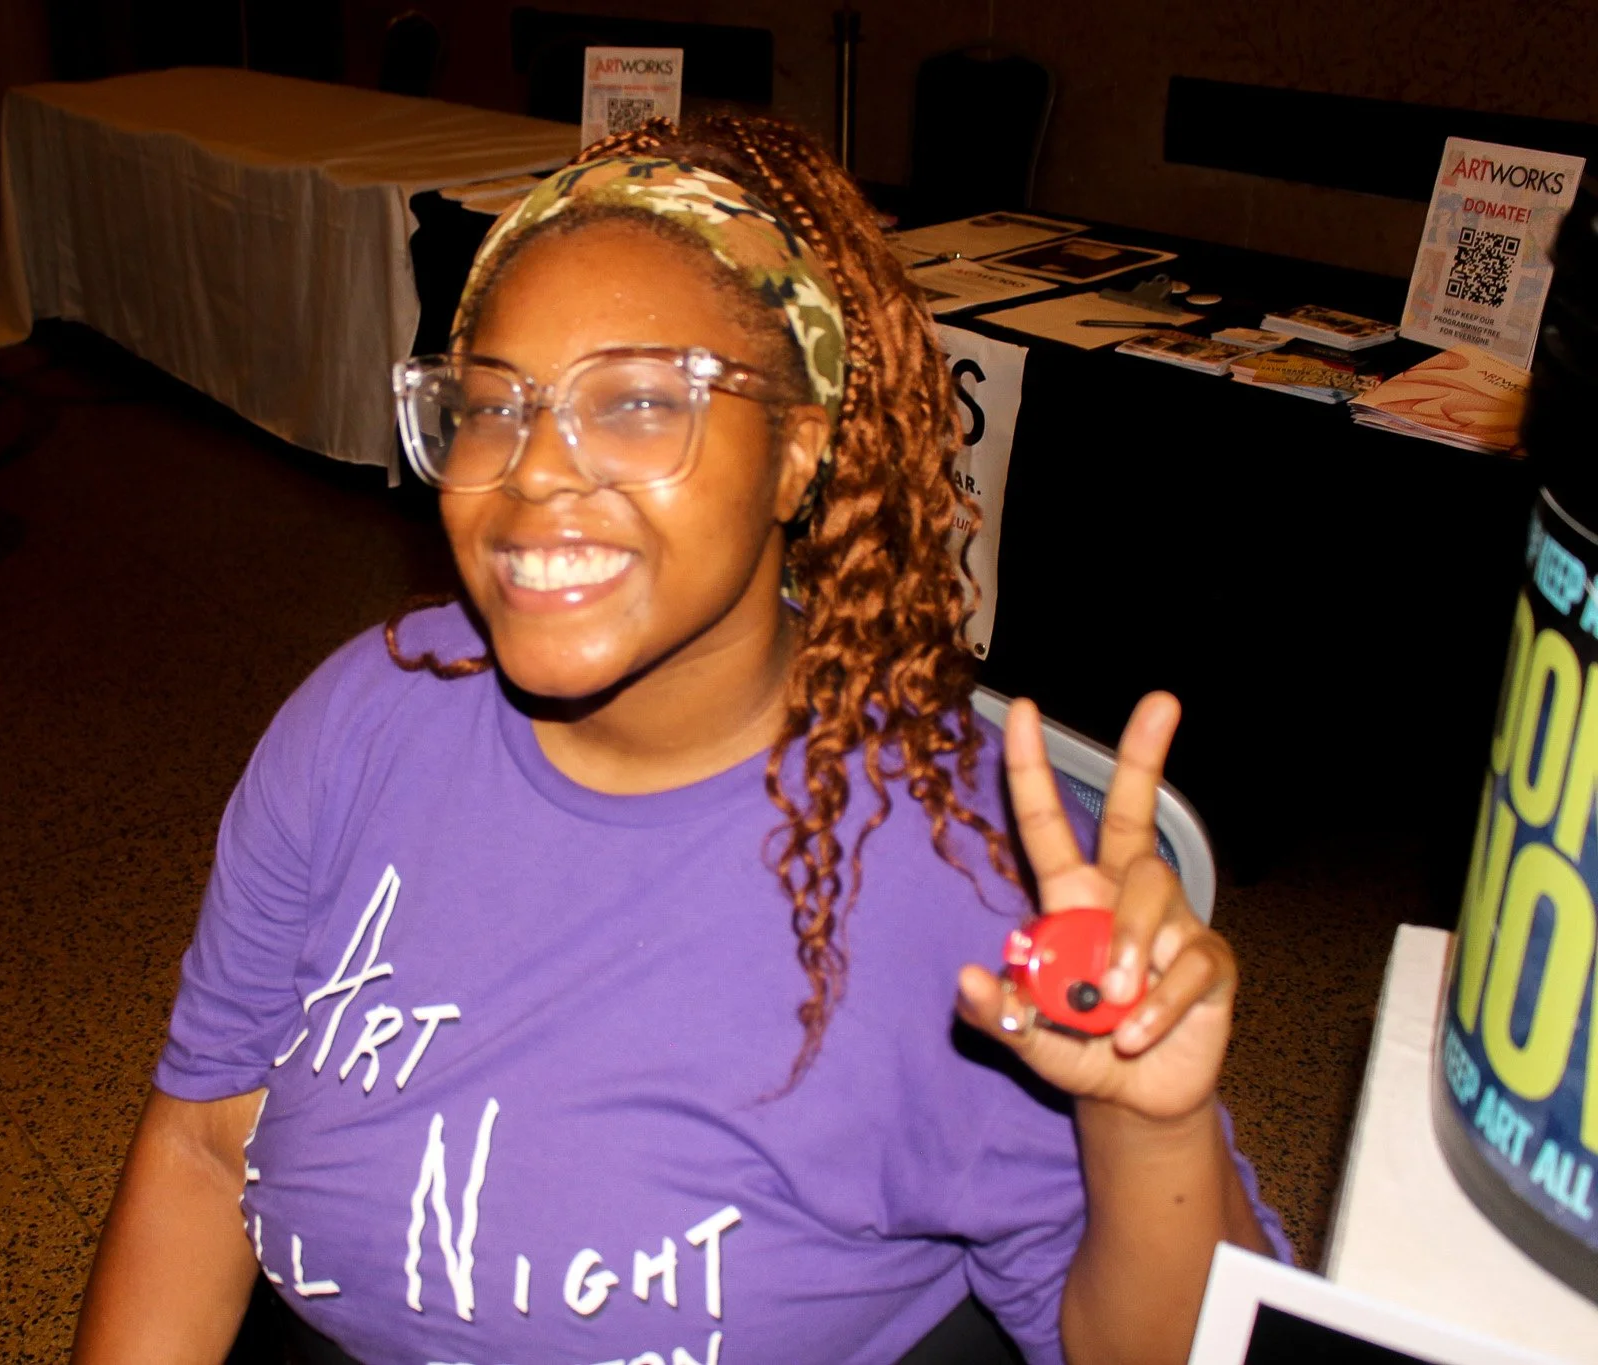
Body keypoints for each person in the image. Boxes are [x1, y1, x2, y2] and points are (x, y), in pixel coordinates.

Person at [71, 114, 1288, 1365]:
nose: (533, 474)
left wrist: (1147, 1134)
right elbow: (201, 1146)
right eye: (490, 407)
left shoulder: (962, 867)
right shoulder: (362, 721)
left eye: (640, 402)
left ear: (795, 453)